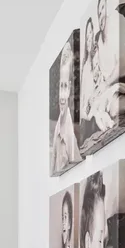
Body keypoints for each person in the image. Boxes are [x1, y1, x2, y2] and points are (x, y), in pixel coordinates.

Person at [51, 39, 81, 175]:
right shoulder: (57, 127)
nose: (62, 96)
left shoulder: (71, 133)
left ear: (69, 88)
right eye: (60, 87)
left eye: (65, 87)